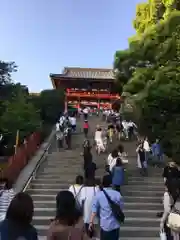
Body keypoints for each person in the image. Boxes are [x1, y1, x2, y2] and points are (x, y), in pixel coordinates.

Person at [89, 175, 124, 240]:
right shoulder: (117, 194)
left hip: (104, 225)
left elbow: (94, 209)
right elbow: (121, 208)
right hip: (115, 225)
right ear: (111, 184)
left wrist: (91, 222)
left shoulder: (99, 195)